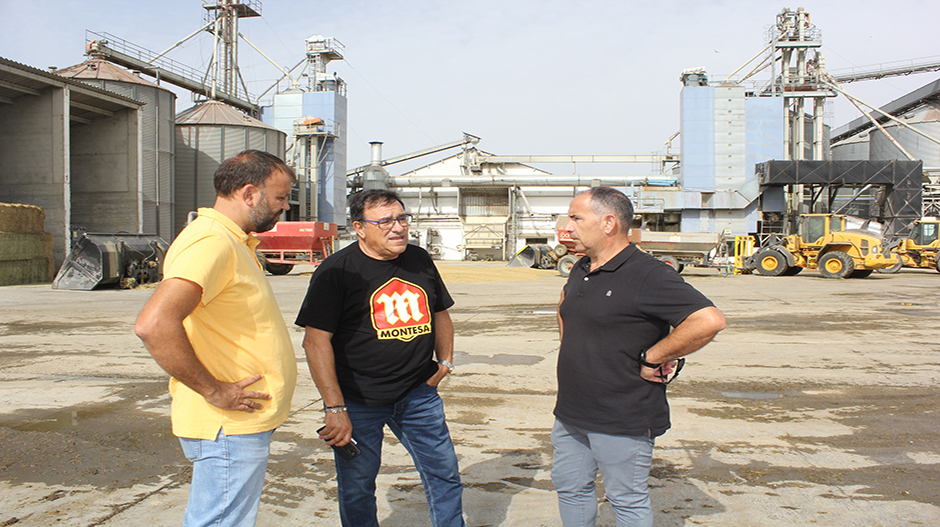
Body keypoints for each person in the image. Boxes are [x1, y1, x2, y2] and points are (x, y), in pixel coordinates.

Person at [135, 150, 298, 527]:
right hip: (227, 423)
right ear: (248, 194)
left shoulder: (234, 241)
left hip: (240, 424)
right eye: (279, 197)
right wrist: (214, 390)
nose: (285, 206)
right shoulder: (212, 242)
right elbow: (154, 324)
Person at [552, 187, 726, 527]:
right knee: (571, 489)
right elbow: (565, 306)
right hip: (571, 411)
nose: (567, 227)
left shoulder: (649, 273)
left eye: (576, 218)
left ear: (608, 223)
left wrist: (655, 356)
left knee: (626, 500)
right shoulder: (582, 266)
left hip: (622, 416)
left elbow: (708, 320)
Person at [296, 189, 464, 527]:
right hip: (358, 401)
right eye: (385, 221)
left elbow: (440, 312)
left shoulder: (419, 259)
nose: (398, 227)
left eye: (402, 218)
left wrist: (444, 362)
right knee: (357, 487)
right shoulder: (336, 272)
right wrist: (335, 408)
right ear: (359, 227)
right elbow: (315, 342)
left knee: (444, 474)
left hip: (418, 395)